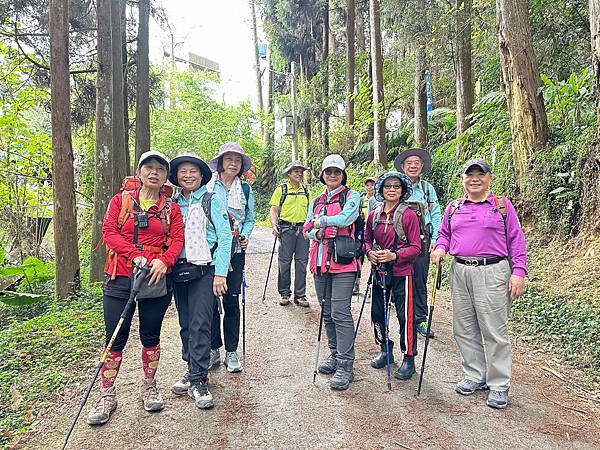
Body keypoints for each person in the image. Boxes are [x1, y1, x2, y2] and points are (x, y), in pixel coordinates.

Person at [87, 151, 184, 426]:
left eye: (160, 169)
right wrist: (134, 254)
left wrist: (164, 262)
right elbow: (109, 232)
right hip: (121, 275)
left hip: (155, 277)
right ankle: (107, 394)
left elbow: (177, 240)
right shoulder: (120, 201)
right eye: (148, 168)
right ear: (139, 173)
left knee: (150, 334)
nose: (154, 173)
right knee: (115, 336)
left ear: (166, 176)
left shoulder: (171, 208)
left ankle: (149, 385)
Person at [431, 158, 527, 410]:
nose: (475, 179)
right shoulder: (454, 207)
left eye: (480, 174)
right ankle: (474, 374)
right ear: (462, 179)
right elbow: (444, 234)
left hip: (493, 271)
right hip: (460, 270)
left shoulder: (502, 206)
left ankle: (498, 384)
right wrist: (440, 249)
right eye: (469, 175)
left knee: (494, 329)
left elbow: (516, 240)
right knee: (463, 327)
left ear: (489, 178)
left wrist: (519, 272)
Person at [169, 153, 232, 410]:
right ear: (176, 177)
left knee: (200, 323)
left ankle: (199, 379)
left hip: (205, 270)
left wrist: (220, 273)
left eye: (193, 171)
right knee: (185, 323)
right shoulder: (172, 203)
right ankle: (191, 367)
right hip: (179, 269)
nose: (188, 175)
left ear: (201, 175)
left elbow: (225, 237)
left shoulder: (211, 200)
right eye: (183, 171)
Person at [304, 154, 361, 391]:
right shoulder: (316, 200)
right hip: (319, 261)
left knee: (340, 312)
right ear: (323, 175)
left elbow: (348, 217)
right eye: (328, 172)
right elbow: (306, 228)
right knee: (327, 312)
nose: (332, 175)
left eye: (337, 172)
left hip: (343, 263)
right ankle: (335, 354)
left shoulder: (352, 196)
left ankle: (346, 364)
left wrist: (321, 222)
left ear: (342, 174)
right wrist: (317, 232)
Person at [364, 172, 422, 380]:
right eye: (387, 186)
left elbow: (416, 248)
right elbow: (367, 240)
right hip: (379, 272)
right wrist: (369, 252)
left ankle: (409, 358)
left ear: (403, 190)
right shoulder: (374, 215)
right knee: (378, 313)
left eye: (396, 186)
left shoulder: (409, 215)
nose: (391, 189)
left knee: (405, 316)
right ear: (381, 190)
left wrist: (394, 255)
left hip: (402, 272)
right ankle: (385, 350)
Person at [207, 142, 255, 373]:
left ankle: (231, 352)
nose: (233, 163)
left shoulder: (245, 190)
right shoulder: (208, 186)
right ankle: (214, 348)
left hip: (235, 252)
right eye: (229, 159)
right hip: (209, 251)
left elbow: (249, 218)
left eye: (237, 160)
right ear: (221, 162)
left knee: (231, 301)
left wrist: (244, 235)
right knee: (210, 302)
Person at [394, 148, 441, 338]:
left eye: (416, 163)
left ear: (422, 166)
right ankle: (402, 316)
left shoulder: (427, 189)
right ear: (403, 167)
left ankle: (420, 318)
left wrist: (436, 239)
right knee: (399, 278)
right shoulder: (397, 187)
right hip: (399, 239)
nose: (413, 166)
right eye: (409, 163)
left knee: (419, 279)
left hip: (422, 238)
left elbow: (436, 214)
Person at [269, 161, 310, 307]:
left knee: (301, 263)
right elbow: (274, 210)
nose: (299, 174)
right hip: (286, 229)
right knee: (284, 262)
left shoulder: (305, 190)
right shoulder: (282, 189)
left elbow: (310, 212)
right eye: (295, 171)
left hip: (303, 230)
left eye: (300, 171)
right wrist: (274, 225)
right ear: (289, 173)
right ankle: (285, 293)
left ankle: (300, 295)